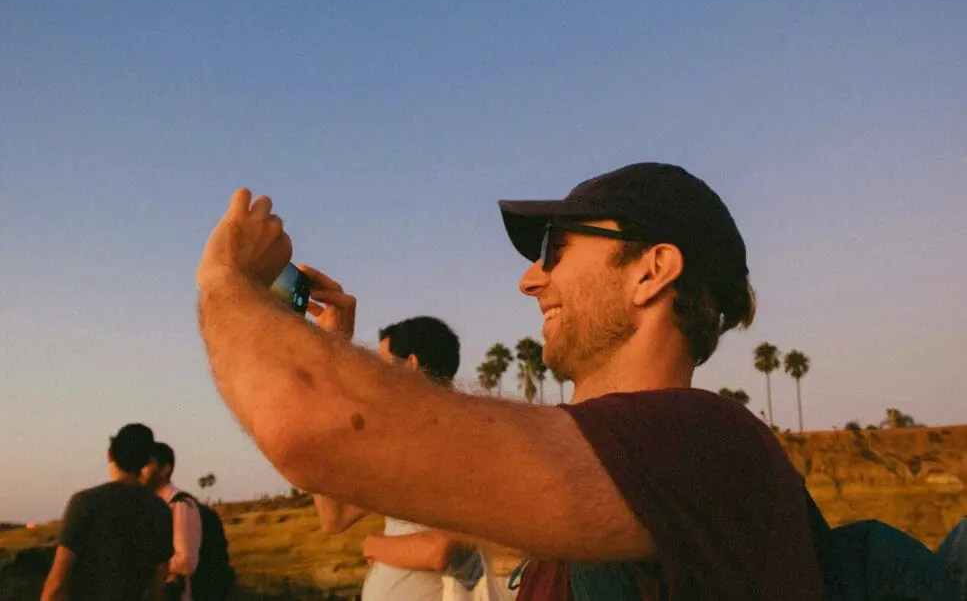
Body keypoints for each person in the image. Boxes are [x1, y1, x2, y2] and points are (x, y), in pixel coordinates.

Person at [195, 162, 827, 599]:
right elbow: (331, 475)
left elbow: (305, 423)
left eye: (554, 249)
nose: (530, 279)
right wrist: (331, 343)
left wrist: (226, 276)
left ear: (652, 271)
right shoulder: (624, 460)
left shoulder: (702, 444)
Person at [309, 312, 483, 601]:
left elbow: (438, 549)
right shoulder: (406, 445)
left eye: (383, 363)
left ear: (411, 365)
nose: (376, 374)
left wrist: (373, 545)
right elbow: (334, 517)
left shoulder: (459, 439)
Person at [41, 423, 173, 601]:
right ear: (147, 461)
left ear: (109, 455)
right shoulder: (161, 510)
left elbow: (57, 584)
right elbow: (157, 588)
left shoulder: (85, 502)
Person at [142, 442, 203, 601]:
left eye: (147, 463)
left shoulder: (180, 504)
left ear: (164, 469)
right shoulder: (150, 504)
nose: (140, 470)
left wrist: (144, 565)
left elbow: (186, 562)